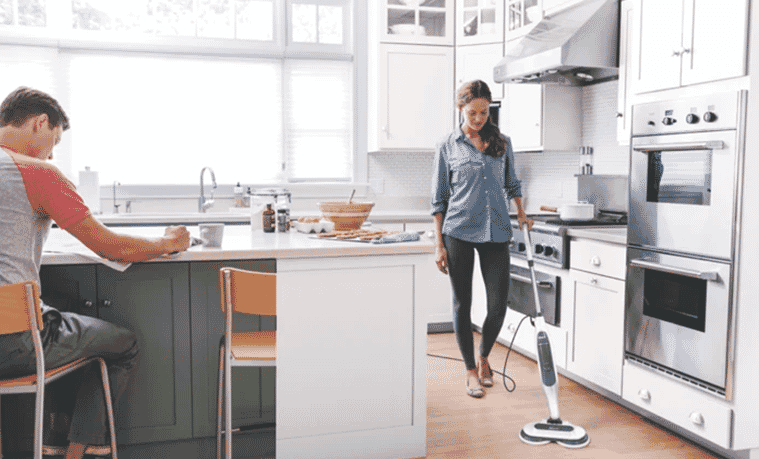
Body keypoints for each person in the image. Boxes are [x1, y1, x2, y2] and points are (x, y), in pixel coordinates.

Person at [0, 87, 191, 459]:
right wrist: (167, 242)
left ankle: (56, 442)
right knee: (121, 343)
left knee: (57, 310)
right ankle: (81, 449)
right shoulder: (37, 173)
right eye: (53, 141)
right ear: (40, 123)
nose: (52, 153)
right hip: (13, 342)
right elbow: (110, 247)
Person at [430, 80, 532, 399]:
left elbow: (512, 184)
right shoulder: (447, 145)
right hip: (458, 230)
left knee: (499, 304)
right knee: (463, 303)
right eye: (472, 112)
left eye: (484, 112)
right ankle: (470, 372)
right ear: (460, 109)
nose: (478, 118)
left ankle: (484, 355)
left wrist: (522, 213)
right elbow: (439, 198)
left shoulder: (503, 143)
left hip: (498, 230)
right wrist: (438, 244)